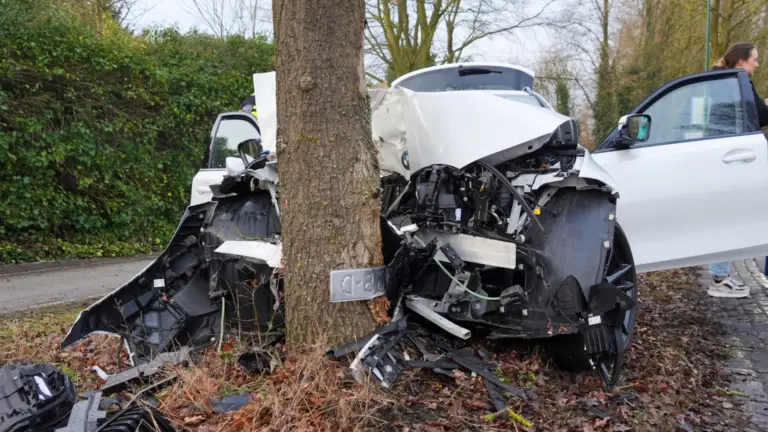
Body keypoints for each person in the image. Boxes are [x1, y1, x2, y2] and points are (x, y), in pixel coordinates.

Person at [706, 42, 768, 298]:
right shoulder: (736, 82)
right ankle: (719, 278)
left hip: (726, 157)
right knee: (727, 217)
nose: (757, 64)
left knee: (727, 216)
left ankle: (721, 276)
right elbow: (760, 115)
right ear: (741, 61)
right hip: (730, 160)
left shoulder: (723, 80)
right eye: (754, 59)